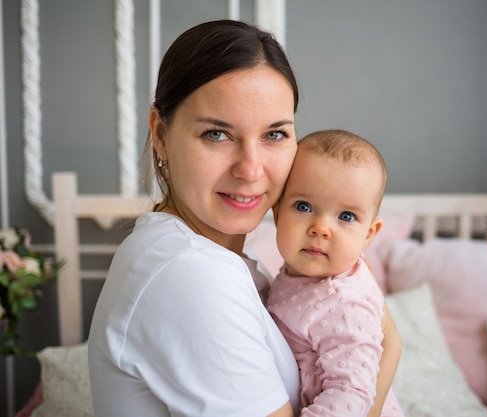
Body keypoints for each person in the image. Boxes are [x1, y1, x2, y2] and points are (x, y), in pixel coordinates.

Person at [87, 20, 400, 417]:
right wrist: (390, 349)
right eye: (217, 134)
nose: (251, 170)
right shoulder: (191, 272)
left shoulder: (221, 262)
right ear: (161, 134)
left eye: (274, 135)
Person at [267, 130, 404, 417]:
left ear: (368, 234)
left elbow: (351, 394)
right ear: (277, 213)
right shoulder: (302, 274)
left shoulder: (344, 302)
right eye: (303, 207)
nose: (321, 228)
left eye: (346, 216)